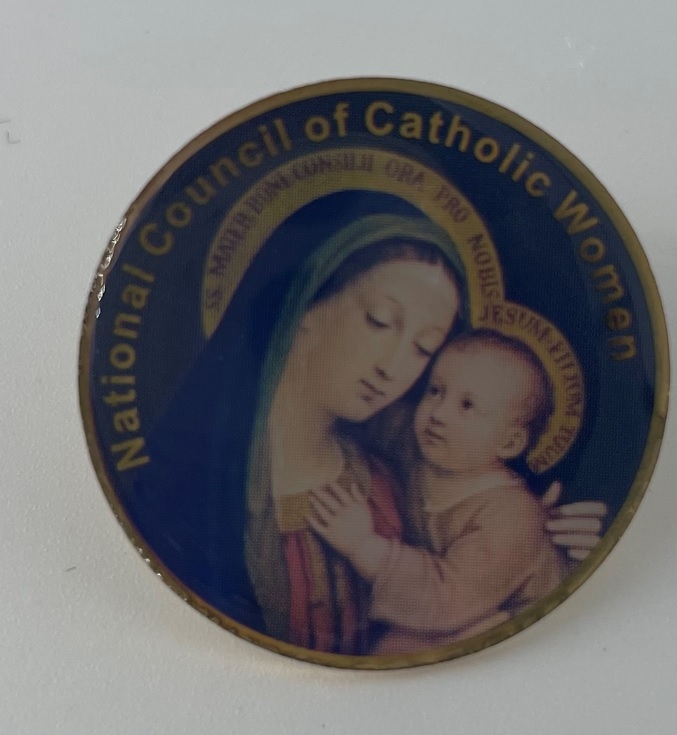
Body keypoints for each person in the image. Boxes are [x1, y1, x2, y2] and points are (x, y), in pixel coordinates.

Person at [132, 210, 605, 655]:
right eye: (380, 322)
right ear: (305, 306)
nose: (394, 368)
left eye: (423, 349)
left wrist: (549, 551)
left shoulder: (389, 479)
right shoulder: (190, 483)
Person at [309, 329, 571, 654]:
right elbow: (373, 420)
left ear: (509, 442)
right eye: (435, 391)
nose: (439, 414)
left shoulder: (512, 516)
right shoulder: (419, 447)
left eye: (467, 406)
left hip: (515, 635)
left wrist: (363, 545)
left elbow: (446, 601)